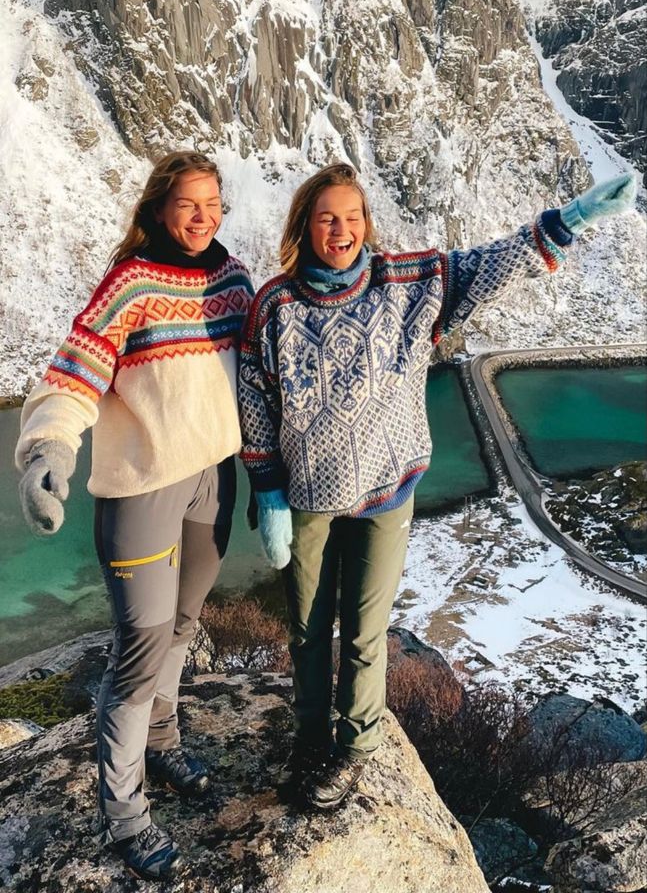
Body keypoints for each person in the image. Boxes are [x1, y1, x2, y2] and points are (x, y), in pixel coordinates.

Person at [238, 162, 636, 812]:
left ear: (366, 223)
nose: (339, 230)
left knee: (364, 633)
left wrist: (570, 220)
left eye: (351, 217)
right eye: (325, 218)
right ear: (303, 226)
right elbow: (253, 396)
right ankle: (308, 741)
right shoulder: (274, 305)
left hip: (386, 493)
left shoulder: (405, 283)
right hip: (309, 495)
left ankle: (351, 750)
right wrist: (268, 489)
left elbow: (489, 265)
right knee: (308, 632)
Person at [16, 151, 254, 881]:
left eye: (212, 203)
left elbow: (273, 363)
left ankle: (163, 736)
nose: (202, 216)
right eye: (188, 203)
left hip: (214, 480)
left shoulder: (232, 280)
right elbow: (74, 372)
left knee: (184, 626)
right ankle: (124, 811)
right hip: (142, 492)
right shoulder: (131, 286)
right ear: (158, 209)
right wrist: (49, 448)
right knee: (139, 650)